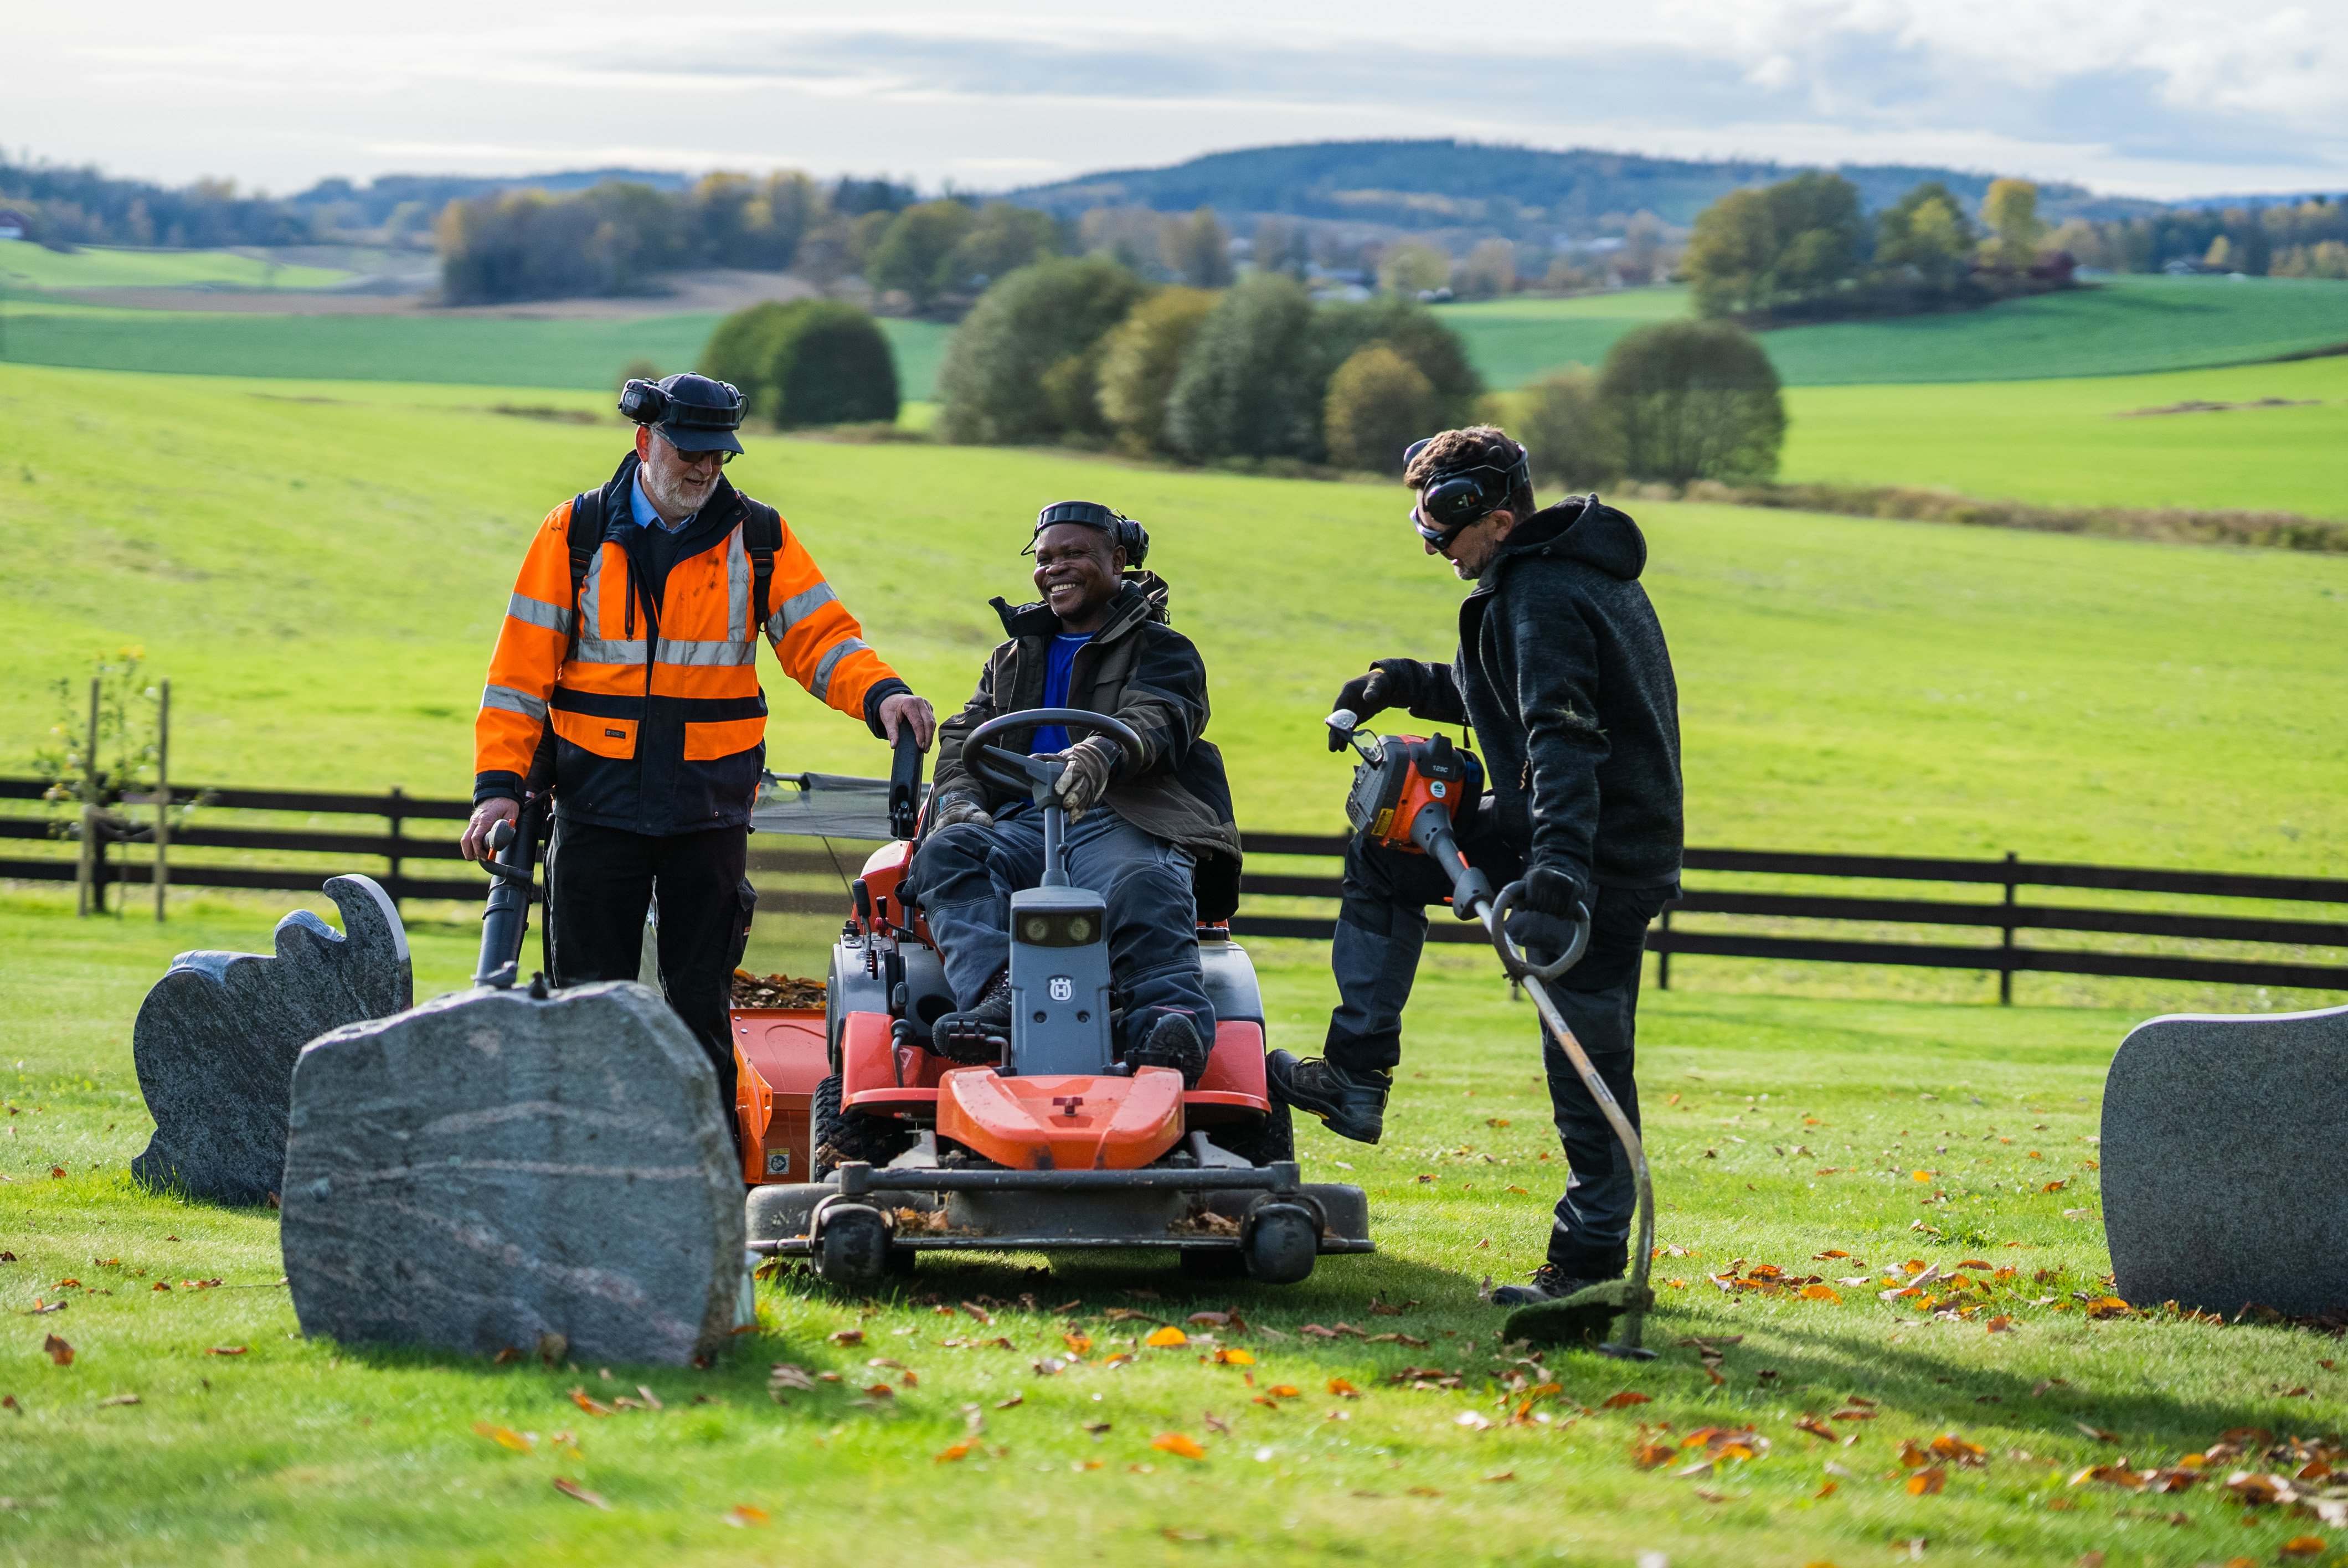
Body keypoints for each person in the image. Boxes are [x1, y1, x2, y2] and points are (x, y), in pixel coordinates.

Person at [1266, 427, 1683, 1307]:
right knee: (1386, 854)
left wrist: (1560, 877)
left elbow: (1562, 735)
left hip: (1595, 851)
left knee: (1586, 1058)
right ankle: (1356, 1075)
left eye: (1441, 532)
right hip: (1560, 830)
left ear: (1494, 516)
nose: (1432, 548)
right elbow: (1506, 691)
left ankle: (1588, 1266)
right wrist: (1401, 681)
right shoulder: (1550, 575)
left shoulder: (1543, 591)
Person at [460, 372, 935, 1112]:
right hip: (595, 811)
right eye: (691, 451)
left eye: (720, 455)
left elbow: (821, 640)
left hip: (707, 816)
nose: (706, 468)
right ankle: (592, 1176)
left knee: (702, 1017)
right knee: (588, 1012)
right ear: (646, 441)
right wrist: (497, 793)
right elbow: (518, 678)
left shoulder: (760, 538)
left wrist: (884, 695)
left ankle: (709, 1190)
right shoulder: (575, 532)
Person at [909, 501, 1242, 1081]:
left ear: (1117, 561)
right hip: (1021, 823)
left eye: (1073, 555)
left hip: (1121, 815)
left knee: (1145, 881)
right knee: (946, 855)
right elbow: (965, 737)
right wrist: (959, 802)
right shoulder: (1010, 657)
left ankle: (1167, 1025)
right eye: (1044, 558)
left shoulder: (1164, 650)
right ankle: (1000, 995)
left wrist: (1100, 752)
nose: (1054, 569)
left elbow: (1161, 717)